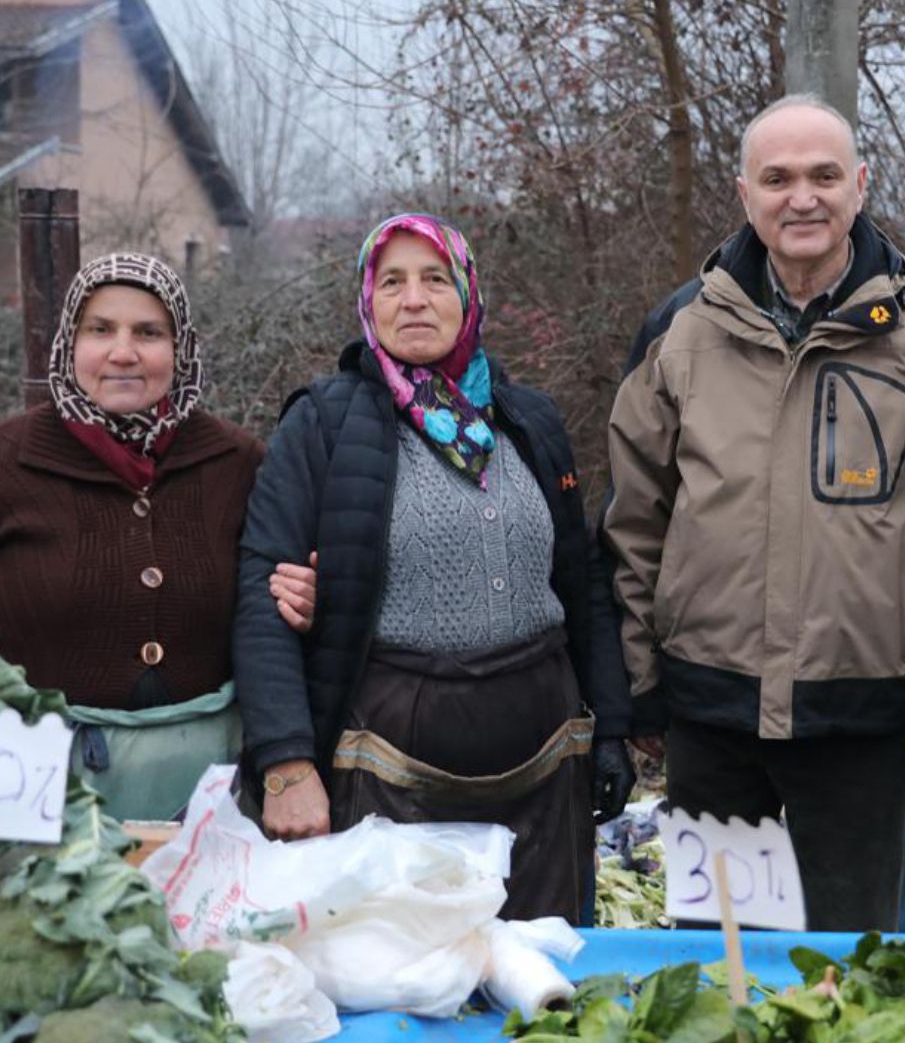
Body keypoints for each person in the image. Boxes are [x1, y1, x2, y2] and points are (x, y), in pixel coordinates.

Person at [600, 94, 905, 933]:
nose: (803, 197)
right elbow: (634, 521)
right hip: (710, 715)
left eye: (824, 175)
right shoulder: (680, 329)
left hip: (859, 715)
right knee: (717, 973)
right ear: (745, 194)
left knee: (851, 970)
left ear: (860, 186)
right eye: (778, 178)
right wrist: (640, 689)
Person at [234, 213, 633, 921]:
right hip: (392, 770)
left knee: (541, 996)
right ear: (367, 301)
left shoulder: (530, 421)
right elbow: (263, 597)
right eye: (392, 281)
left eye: (434, 279)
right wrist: (287, 762)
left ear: (470, 296)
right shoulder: (323, 424)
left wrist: (610, 730)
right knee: (406, 982)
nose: (413, 299)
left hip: (544, 766)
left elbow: (583, 584)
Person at [0, 253, 315, 819]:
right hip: (31, 806)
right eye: (100, 330)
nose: (123, 352)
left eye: (149, 333)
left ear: (180, 349)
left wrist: (308, 601)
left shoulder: (240, 465)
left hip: (216, 803)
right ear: (69, 342)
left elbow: (281, 613)